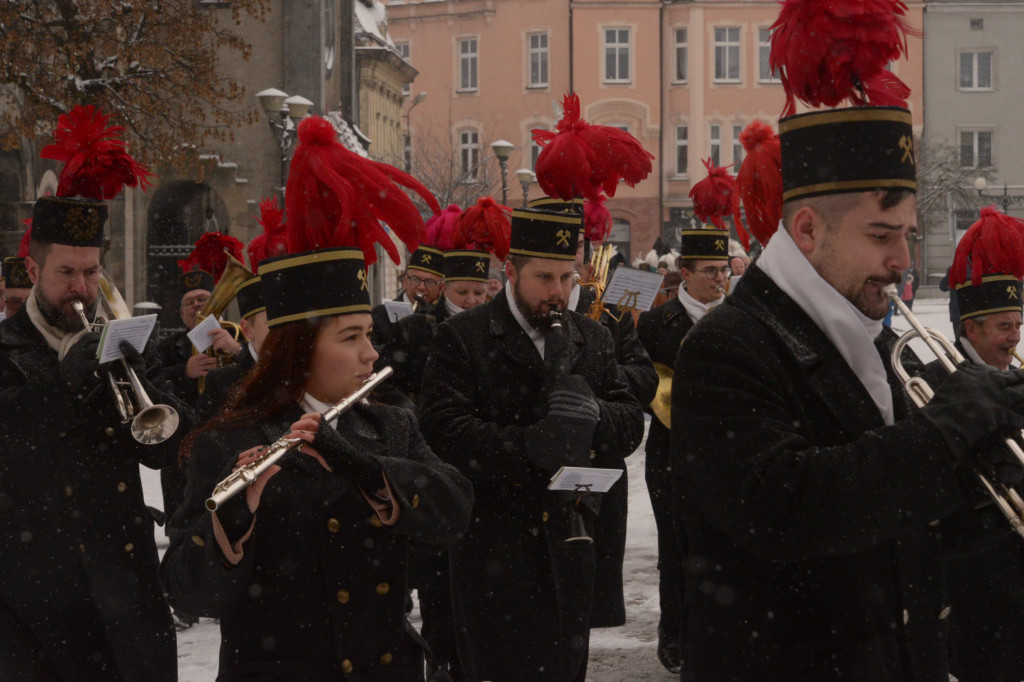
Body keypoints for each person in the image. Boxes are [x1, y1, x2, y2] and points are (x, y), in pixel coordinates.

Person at [672, 101, 1024, 680]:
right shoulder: (728, 345)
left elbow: (893, 521)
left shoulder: (869, 331)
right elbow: (784, 509)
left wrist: (981, 492)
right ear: (808, 229)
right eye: (882, 235)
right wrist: (941, 436)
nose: (902, 262)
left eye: (908, 235)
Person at [160, 115, 469, 681]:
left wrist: (366, 468)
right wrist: (232, 518)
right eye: (351, 338)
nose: (371, 354)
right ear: (297, 351)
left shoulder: (389, 425)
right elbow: (188, 589)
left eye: (368, 335)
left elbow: (454, 511)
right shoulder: (229, 438)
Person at [419, 206, 645, 681]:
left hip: (573, 543)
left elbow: (630, 423)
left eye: (567, 277)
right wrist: (527, 445)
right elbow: (444, 429)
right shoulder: (463, 336)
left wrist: (597, 415)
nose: (558, 291)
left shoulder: (594, 337)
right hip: (494, 545)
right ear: (510, 273)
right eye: (544, 277)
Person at [0, 105, 187, 680]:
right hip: (33, 598)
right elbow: (18, 440)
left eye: (91, 272)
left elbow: (158, 446)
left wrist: (152, 389)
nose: (81, 288)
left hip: (122, 589)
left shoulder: (111, 338)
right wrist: (69, 375)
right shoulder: (7, 348)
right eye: (65, 273)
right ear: (34, 273)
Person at [921, 208, 1024, 682]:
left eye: (1018, 324)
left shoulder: (1017, 382)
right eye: (1004, 326)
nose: (1016, 336)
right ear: (971, 329)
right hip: (970, 573)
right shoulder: (935, 382)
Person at [636, 226, 729, 675]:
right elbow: (638, 383)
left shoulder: (742, 318)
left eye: (725, 270)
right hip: (671, 453)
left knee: (725, 543)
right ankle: (673, 632)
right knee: (674, 548)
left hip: (730, 451)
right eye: (710, 271)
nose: (720, 279)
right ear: (685, 274)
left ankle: (720, 629)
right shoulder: (656, 323)